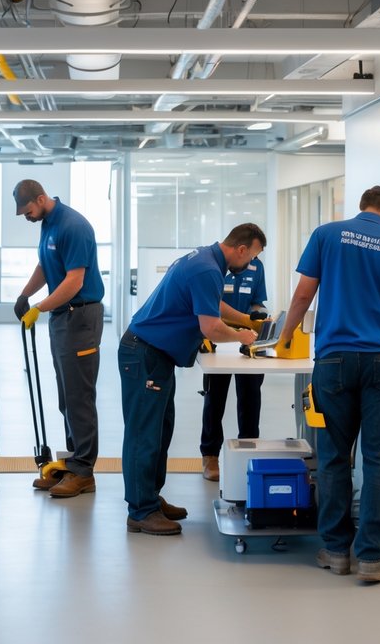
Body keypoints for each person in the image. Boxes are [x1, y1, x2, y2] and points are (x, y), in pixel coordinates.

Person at [278, 185, 380, 582]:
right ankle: (374, 558)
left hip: (334, 362)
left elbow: (303, 296)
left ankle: (335, 551)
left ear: (361, 208)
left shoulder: (327, 235)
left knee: (334, 457)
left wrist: (286, 336)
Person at [119, 224, 265, 536]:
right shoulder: (207, 270)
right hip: (144, 354)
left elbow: (212, 304)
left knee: (160, 430)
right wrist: (241, 335)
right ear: (241, 249)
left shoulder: (206, 262)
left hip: (156, 356)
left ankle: (150, 500)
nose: (251, 263)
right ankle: (140, 511)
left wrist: (245, 319)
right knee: (144, 433)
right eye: (252, 256)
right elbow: (211, 326)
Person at [11, 180, 104, 499]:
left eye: (28, 211)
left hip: (81, 316)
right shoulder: (48, 224)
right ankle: (73, 460)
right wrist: (26, 294)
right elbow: (45, 265)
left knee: (80, 395)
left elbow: (74, 281)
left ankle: (85, 471)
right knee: (67, 396)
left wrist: (39, 307)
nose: (27, 217)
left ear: (41, 198)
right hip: (62, 317)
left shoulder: (73, 226)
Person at [199, 254, 268, 481]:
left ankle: (248, 450)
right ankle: (210, 455)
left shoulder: (257, 266)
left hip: (247, 337)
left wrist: (260, 314)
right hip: (219, 334)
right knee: (215, 398)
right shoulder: (218, 266)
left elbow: (258, 301)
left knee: (250, 397)